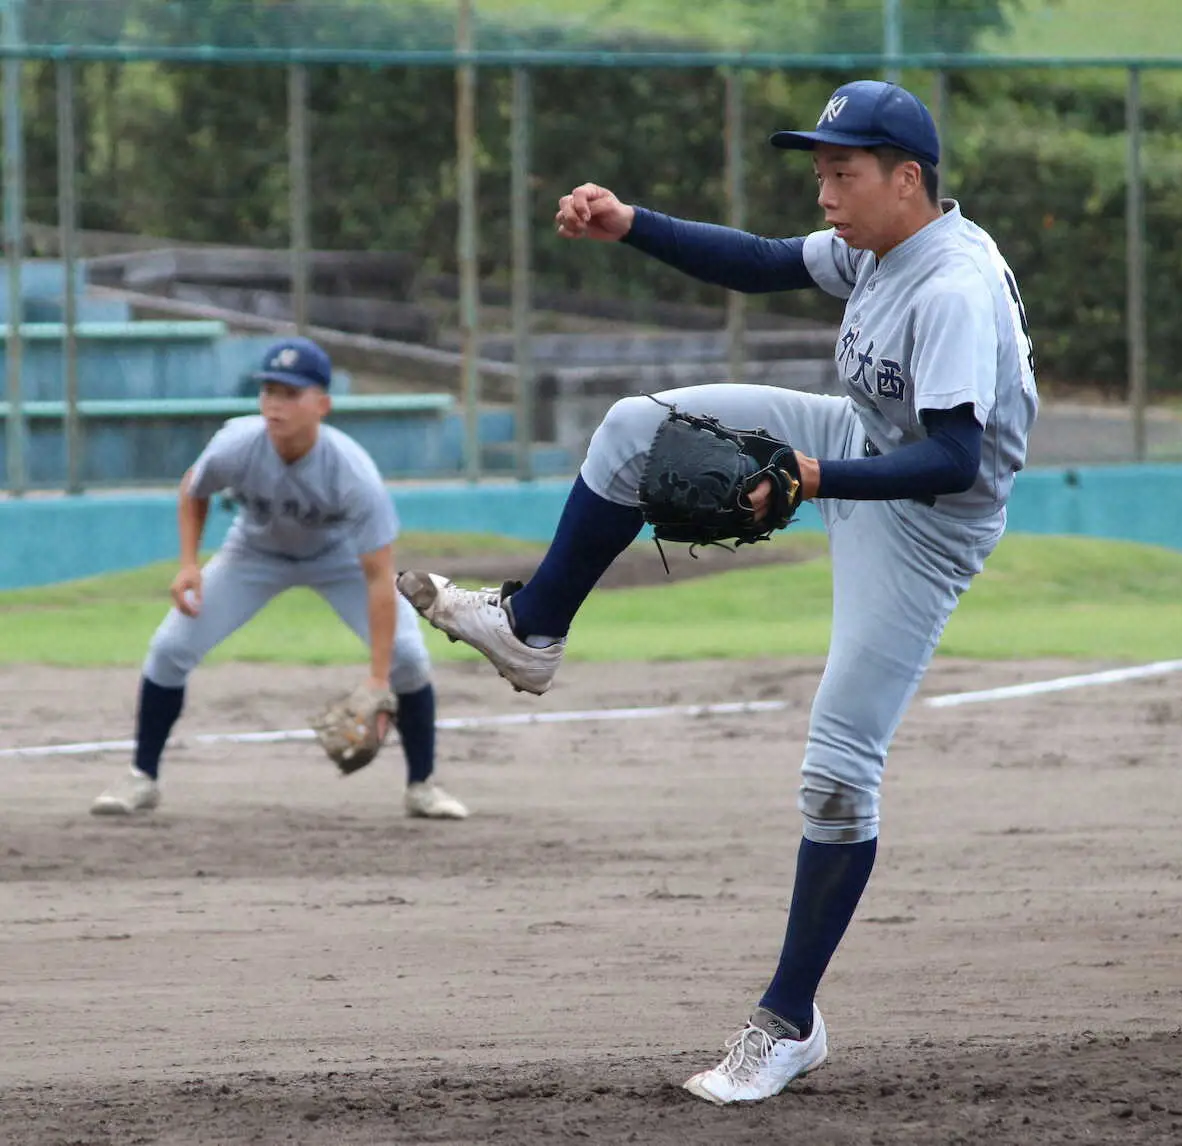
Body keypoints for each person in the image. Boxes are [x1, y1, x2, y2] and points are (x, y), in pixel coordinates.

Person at [398, 79, 1039, 1101]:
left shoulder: (951, 288)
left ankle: (788, 1024)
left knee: (837, 775)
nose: (825, 190)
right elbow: (763, 263)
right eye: (821, 168)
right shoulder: (880, 246)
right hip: (855, 443)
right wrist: (630, 224)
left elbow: (954, 458)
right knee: (634, 429)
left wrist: (813, 478)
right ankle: (529, 631)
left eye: (846, 170)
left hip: (928, 522)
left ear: (907, 178)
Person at [91, 336, 468, 821]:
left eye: (291, 393)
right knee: (169, 649)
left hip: (338, 560)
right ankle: (141, 778)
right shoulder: (238, 443)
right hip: (254, 552)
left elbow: (378, 578)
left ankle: (422, 786)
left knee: (408, 659)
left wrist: (377, 680)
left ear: (323, 404)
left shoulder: (352, 472)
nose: (276, 404)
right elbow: (194, 486)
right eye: (269, 391)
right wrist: (188, 563)